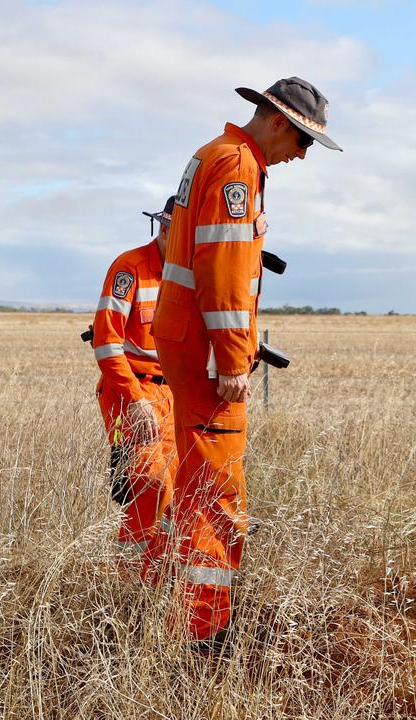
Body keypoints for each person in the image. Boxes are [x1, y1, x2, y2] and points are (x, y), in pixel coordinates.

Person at [151, 76, 341, 649]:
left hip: (186, 340)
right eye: (304, 141)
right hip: (209, 356)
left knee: (196, 481)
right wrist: (235, 359)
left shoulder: (215, 153)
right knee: (217, 491)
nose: (303, 156)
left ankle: (187, 610)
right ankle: (204, 632)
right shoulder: (237, 167)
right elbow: (227, 273)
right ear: (279, 121)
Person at [89, 196, 177, 577]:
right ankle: (126, 576)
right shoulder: (130, 268)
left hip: (176, 394)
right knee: (151, 482)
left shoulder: (190, 271)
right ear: (165, 226)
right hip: (132, 393)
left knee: (178, 488)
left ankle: (161, 575)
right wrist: (135, 399)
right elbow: (106, 343)